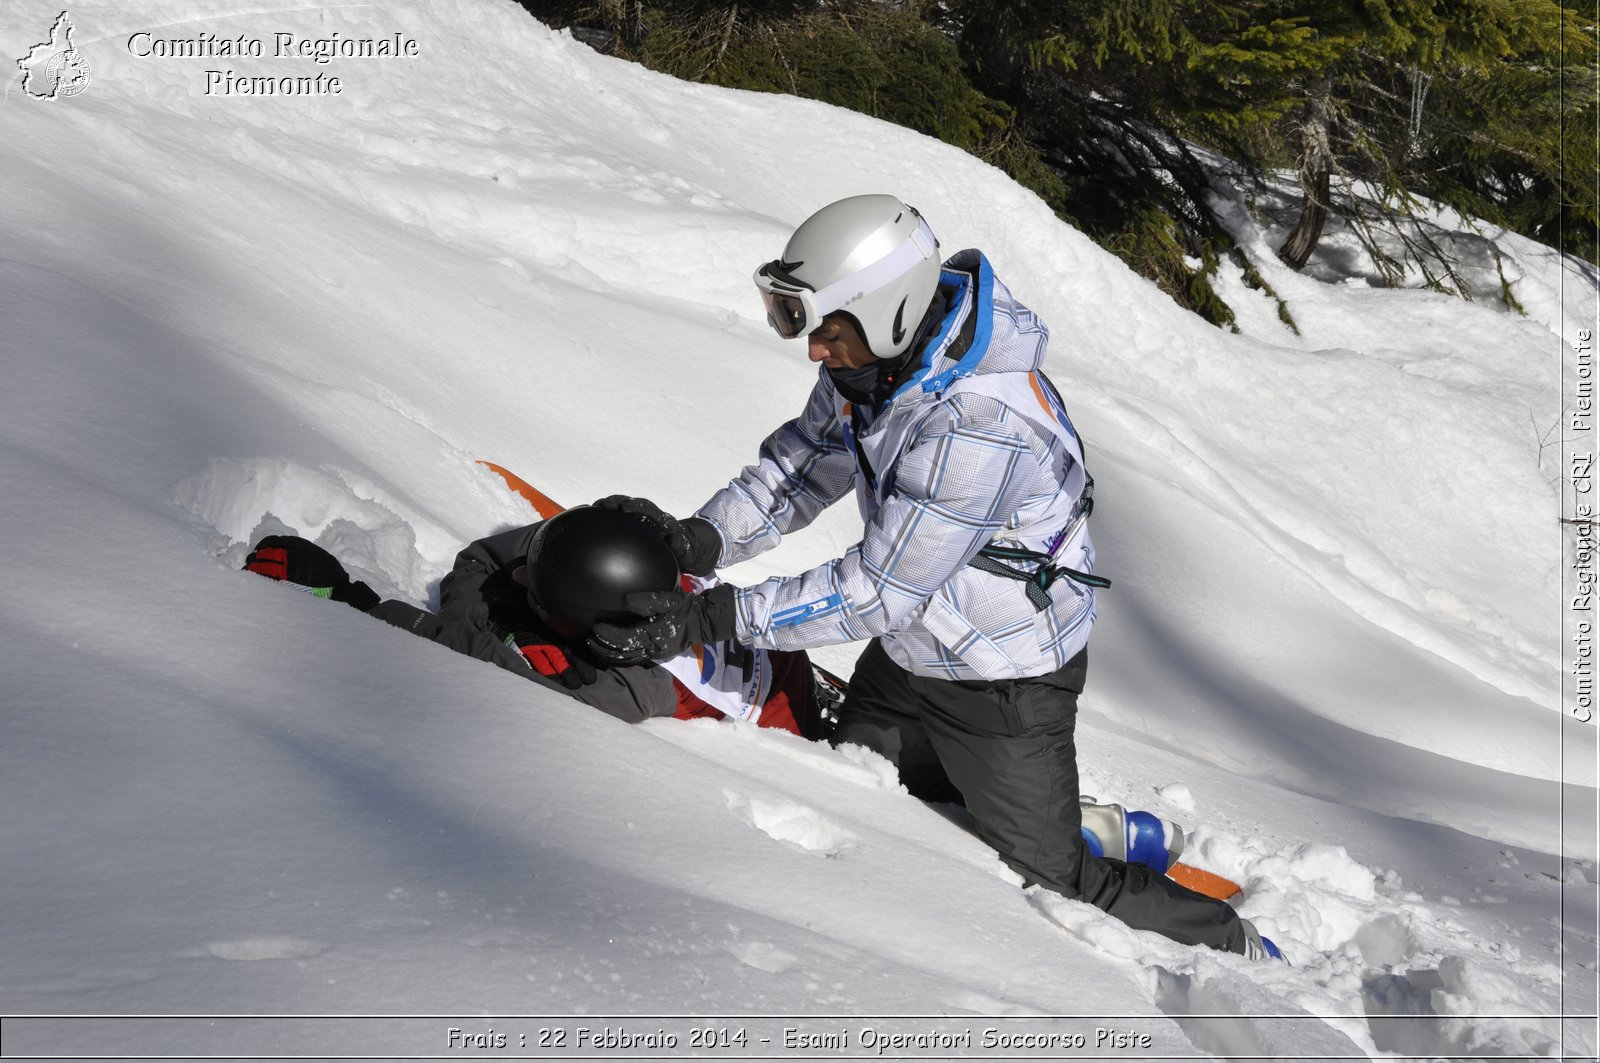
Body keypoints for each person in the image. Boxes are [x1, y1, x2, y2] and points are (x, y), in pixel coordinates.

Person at [583, 194, 1279, 959]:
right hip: (914, 647)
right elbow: (800, 468)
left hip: (1001, 678)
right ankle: (1050, 810)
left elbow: (876, 590)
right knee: (865, 792)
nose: (814, 349)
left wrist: (711, 618)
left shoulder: (978, 422)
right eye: (800, 322)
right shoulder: (876, 362)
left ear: (888, 311)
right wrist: (699, 539)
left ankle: (1233, 939)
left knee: (1053, 879)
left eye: (825, 327)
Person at [240, 511, 1198, 888]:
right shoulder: (662, 587)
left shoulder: (633, 683)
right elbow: (530, 546)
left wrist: (359, 603)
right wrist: (498, 574)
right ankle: (1097, 824)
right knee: (943, 790)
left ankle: (1103, 838)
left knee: (953, 833)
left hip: (801, 742)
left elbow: (498, 676)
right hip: (797, 687)